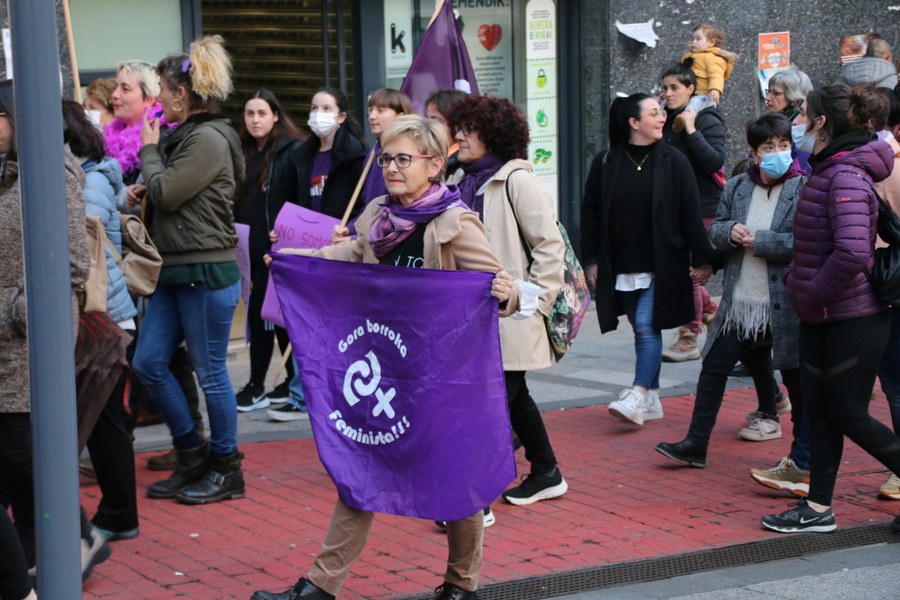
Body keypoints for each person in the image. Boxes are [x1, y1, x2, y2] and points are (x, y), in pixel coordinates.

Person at [251, 115, 519, 600]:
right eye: (386, 158)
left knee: (455, 476)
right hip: (387, 372)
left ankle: (461, 585)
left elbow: (498, 286)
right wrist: (296, 259)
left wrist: (507, 294)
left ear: (434, 165)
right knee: (361, 469)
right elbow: (353, 255)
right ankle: (320, 585)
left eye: (403, 159)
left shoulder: (455, 222)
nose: (392, 168)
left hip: (442, 380)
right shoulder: (377, 212)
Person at [761, 83, 898, 534]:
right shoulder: (829, 169)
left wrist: (810, 292)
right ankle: (817, 508)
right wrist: (799, 286)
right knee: (821, 412)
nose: (797, 121)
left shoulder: (844, 176)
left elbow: (853, 253)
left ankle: (819, 506)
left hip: (851, 315)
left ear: (822, 123)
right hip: (821, 313)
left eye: (804, 115)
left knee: (848, 414)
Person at [0, 80, 109, 582]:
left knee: (24, 450)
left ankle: (79, 533)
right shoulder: (11, 173)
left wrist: (17, 311)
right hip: (9, 344)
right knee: (18, 460)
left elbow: (72, 260)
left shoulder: (53, 170)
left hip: (28, 344)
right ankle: (35, 560)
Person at [132, 35, 247, 506]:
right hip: (174, 271)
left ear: (182, 95)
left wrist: (148, 150)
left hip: (204, 269)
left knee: (211, 373)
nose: (157, 97)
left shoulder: (208, 138)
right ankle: (191, 454)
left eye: (161, 88)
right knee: (148, 363)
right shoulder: (188, 136)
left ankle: (225, 468)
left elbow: (167, 193)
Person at [655, 113, 806, 468]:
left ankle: (802, 456)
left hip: (784, 304)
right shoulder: (739, 186)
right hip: (741, 302)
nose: (778, 153)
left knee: (797, 380)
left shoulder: (804, 187)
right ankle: (695, 444)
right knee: (715, 364)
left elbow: (808, 241)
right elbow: (718, 228)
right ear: (755, 153)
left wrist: (763, 241)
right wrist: (730, 232)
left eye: (784, 146)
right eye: (769, 147)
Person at [448, 95, 569, 507]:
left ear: (495, 135)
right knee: (514, 397)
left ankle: (473, 499)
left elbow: (550, 247)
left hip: (511, 313)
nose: (460, 136)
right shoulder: (458, 181)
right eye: (458, 128)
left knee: (492, 402)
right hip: (470, 315)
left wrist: (531, 301)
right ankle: (546, 470)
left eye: (470, 129)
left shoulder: (516, 180)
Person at [581, 93, 713, 426]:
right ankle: (652, 397)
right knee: (645, 328)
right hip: (622, 261)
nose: (662, 118)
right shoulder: (606, 161)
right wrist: (593, 259)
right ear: (633, 122)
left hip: (664, 262)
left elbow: (690, 214)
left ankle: (638, 393)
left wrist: (704, 259)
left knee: (645, 325)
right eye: (654, 113)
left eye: (660, 112)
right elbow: (591, 214)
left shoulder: (674, 160)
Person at [104, 59, 204, 473]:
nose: (115, 95)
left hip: (159, 261)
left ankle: (189, 442)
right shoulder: (108, 138)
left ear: (150, 99)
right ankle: (141, 441)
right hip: (125, 258)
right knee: (141, 354)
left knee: (169, 356)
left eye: (126, 88)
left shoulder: (167, 138)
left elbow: (166, 193)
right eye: (115, 87)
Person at [62, 98, 140, 541]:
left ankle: (118, 514)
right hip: (109, 315)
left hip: (103, 318)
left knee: (102, 422)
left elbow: (81, 234)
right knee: (106, 421)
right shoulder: (96, 173)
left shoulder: (86, 180)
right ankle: (118, 511)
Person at [232, 88, 305, 414]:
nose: (255, 120)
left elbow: (297, 199)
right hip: (247, 248)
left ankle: (260, 384)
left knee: (274, 318)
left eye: (262, 113)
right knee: (262, 316)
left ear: (276, 115)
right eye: (249, 113)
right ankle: (277, 383)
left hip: (275, 248)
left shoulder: (289, 152)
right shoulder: (242, 151)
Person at [659, 60, 725, 363]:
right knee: (681, 271)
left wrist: (692, 129)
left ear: (690, 88)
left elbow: (714, 162)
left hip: (703, 207)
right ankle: (710, 311)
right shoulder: (662, 118)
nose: (668, 93)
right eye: (664, 88)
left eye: (675, 88)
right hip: (673, 209)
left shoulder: (707, 117)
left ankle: (689, 335)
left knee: (687, 273)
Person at [292, 87, 367, 221]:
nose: (318, 114)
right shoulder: (301, 155)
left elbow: (364, 204)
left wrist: (349, 230)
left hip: (340, 237)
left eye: (326, 108)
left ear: (341, 117)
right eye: (314, 108)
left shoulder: (355, 155)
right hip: (308, 236)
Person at [672, 22, 737, 132]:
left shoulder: (713, 58)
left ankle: (685, 118)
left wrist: (715, 89)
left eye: (698, 39)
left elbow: (716, 75)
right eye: (692, 39)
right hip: (688, 91)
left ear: (711, 42)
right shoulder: (688, 56)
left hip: (704, 94)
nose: (693, 42)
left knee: (695, 103)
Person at [358, 88, 413, 209]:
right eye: (371, 110)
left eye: (380, 110)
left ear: (400, 116)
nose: (372, 116)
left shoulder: (409, 155)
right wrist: (352, 227)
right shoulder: (372, 155)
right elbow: (367, 205)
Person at [425, 88, 467, 180]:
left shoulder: (464, 165)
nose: (427, 126)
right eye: (427, 119)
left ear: (456, 124)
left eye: (435, 120)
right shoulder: (424, 154)